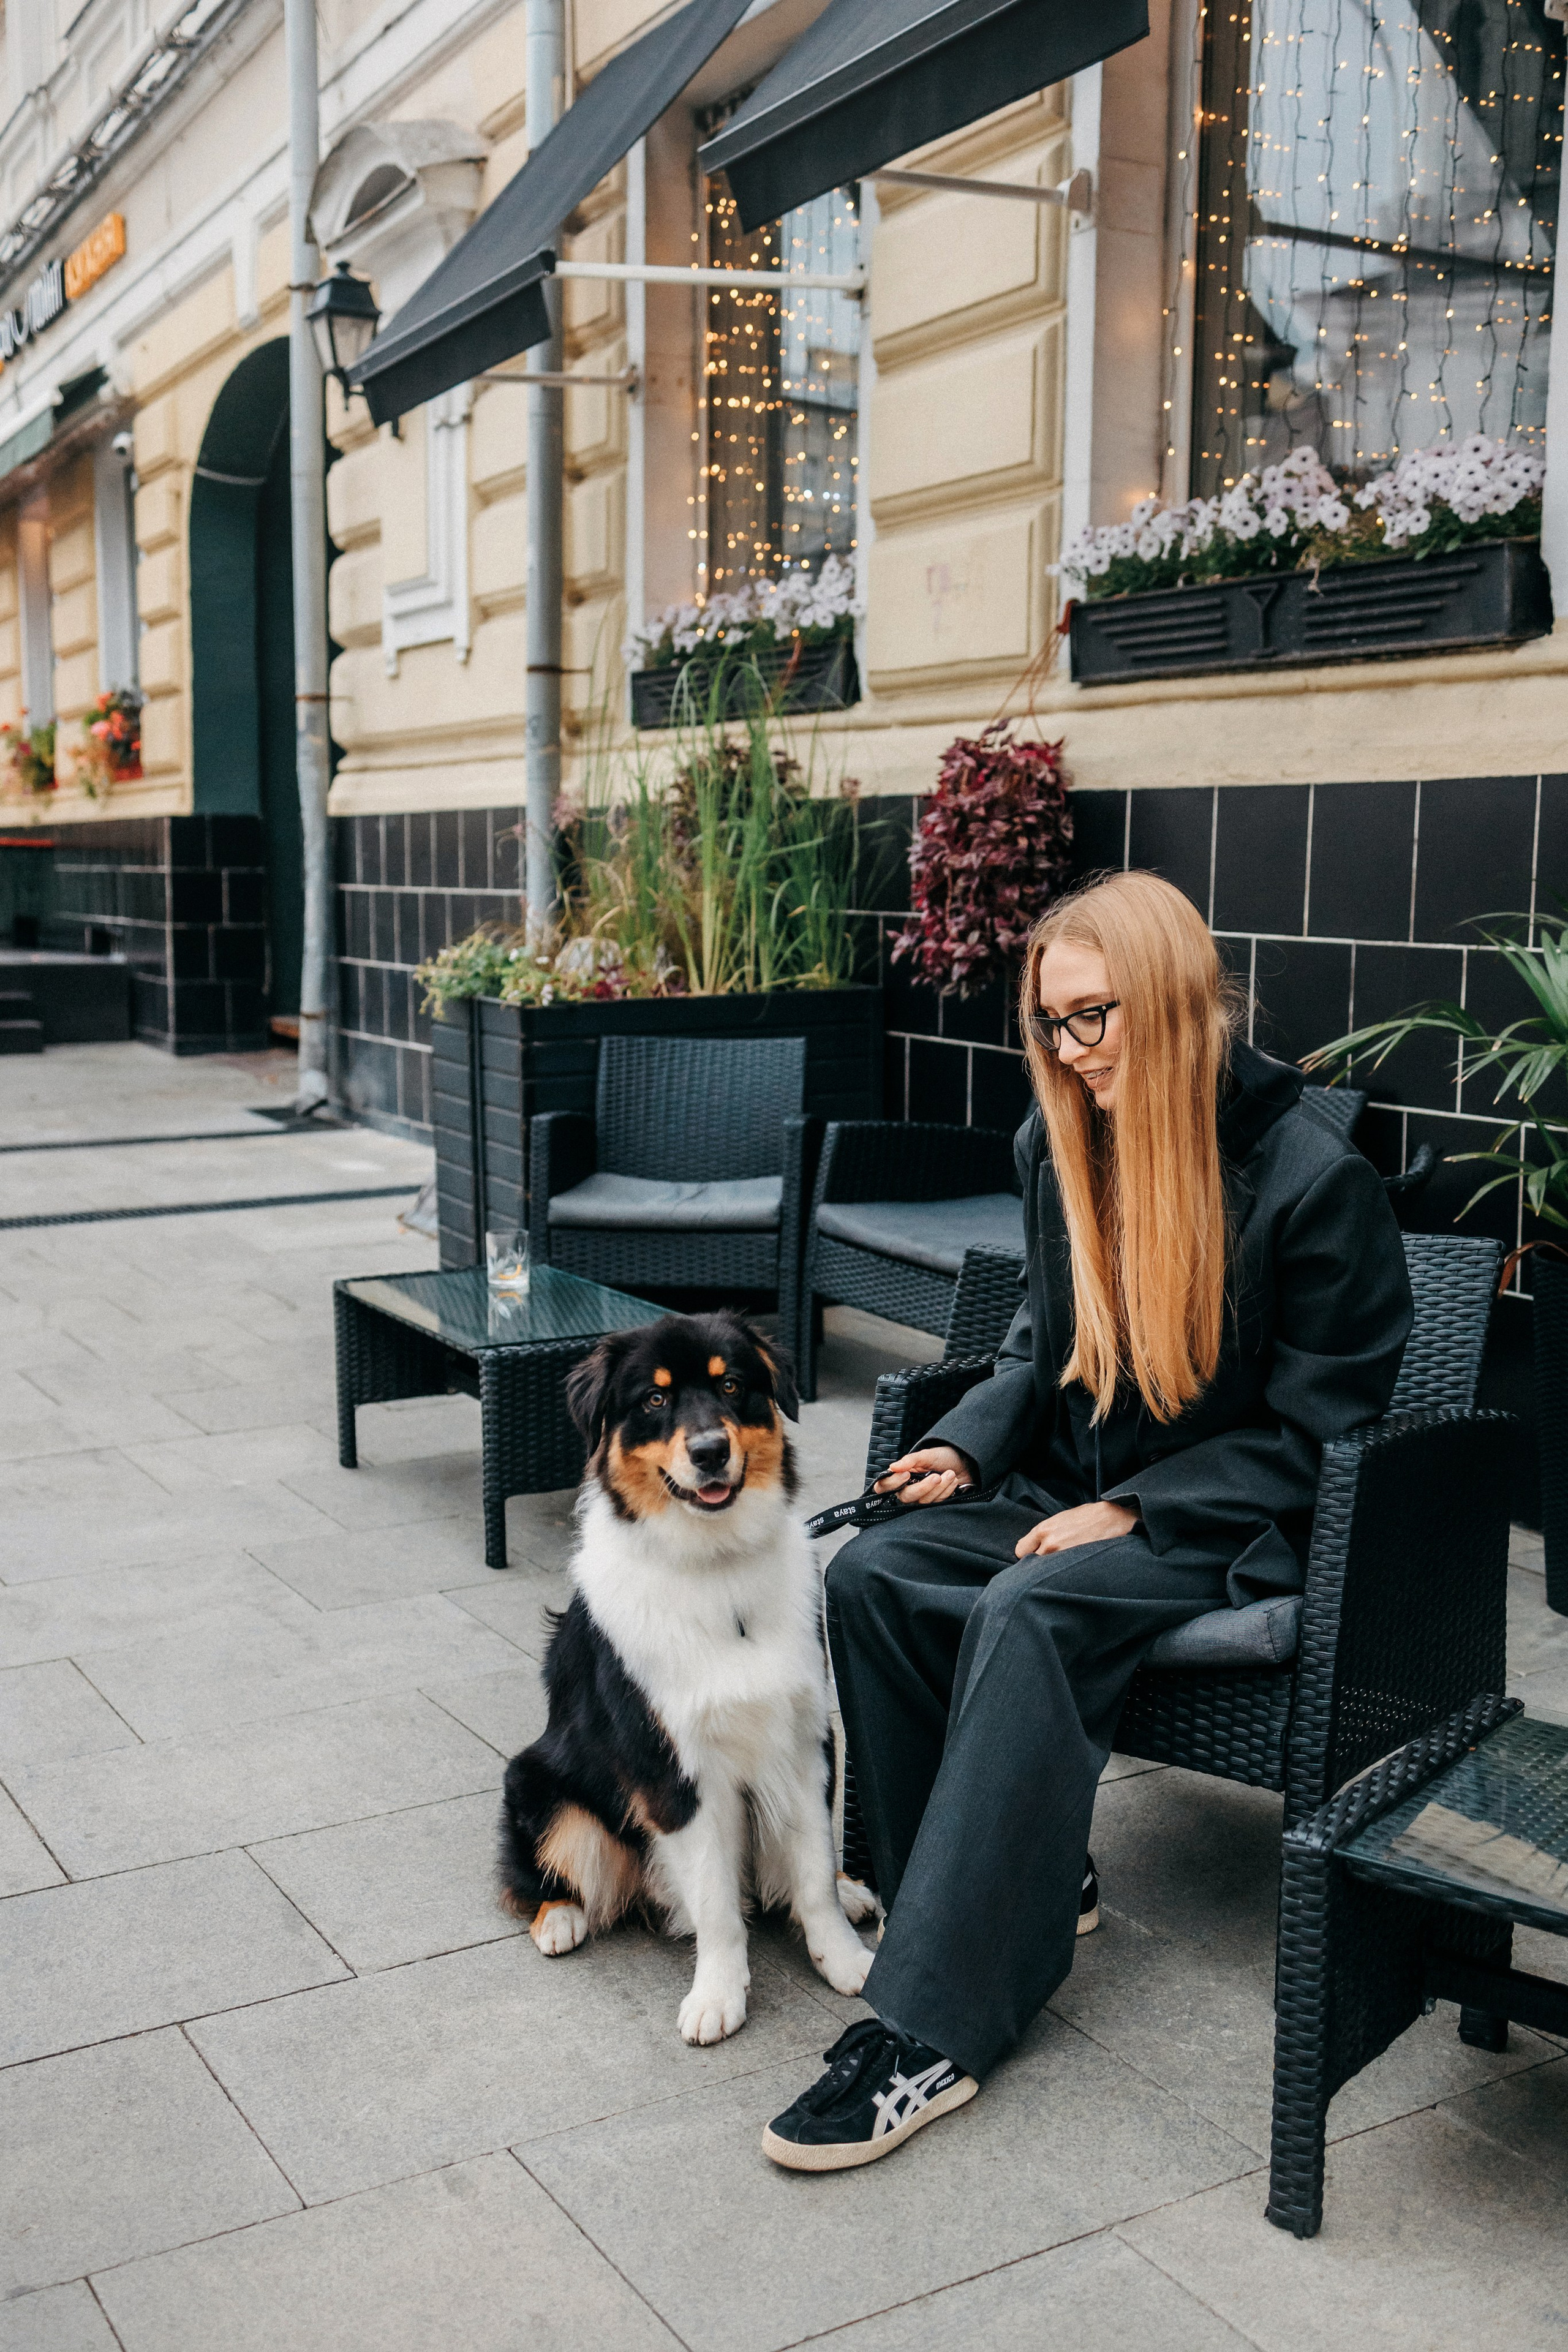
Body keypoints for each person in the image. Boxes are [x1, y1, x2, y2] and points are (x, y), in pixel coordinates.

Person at [761, 870, 1414, 2172]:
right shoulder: (1057, 1137)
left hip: (1222, 1523)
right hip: (1077, 1489)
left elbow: (1325, 1433)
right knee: (876, 1572)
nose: (1068, 1052)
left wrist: (1134, 1507)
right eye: (1050, 1024)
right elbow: (1032, 1340)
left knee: (1026, 1604)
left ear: (1173, 1003)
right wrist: (964, 1443)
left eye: (1093, 1017)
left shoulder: (1306, 1179)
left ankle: (932, 2024)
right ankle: (990, 1884)